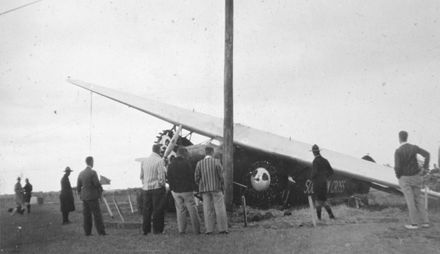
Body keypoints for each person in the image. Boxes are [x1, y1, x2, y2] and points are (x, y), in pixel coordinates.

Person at [394, 130, 430, 229]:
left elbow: (397, 167)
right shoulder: (414, 148)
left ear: (399, 138)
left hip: (405, 178)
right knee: (419, 199)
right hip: (416, 176)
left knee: (410, 200)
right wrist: (425, 169)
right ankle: (425, 222)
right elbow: (427, 154)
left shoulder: (398, 151)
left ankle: (414, 224)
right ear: (407, 137)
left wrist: (399, 176)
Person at [195, 146, 228, 234]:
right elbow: (221, 176)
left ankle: (209, 230)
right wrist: (223, 186)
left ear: (205, 153)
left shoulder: (199, 163)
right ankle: (223, 229)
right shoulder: (216, 162)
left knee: (207, 209)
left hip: (205, 189)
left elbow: (196, 177)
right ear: (212, 153)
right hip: (216, 188)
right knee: (219, 208)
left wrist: (200, 185)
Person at [168, 147, 201, 234]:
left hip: (175, 191)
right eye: (187, 153)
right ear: (184, 153)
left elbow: (169, 178)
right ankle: (197, 230)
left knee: (180, 210)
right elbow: (191, 177)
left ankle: (181, 230)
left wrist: (172, 190)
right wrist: (194, 188)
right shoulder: (187, 163)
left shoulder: (171, 164)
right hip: (187, 190)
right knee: (192, 209)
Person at [140, 144, 167, 235]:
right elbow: (161, 176)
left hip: (146, 188)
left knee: (146, 210)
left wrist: (145, 184)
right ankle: (158, 230)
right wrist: (162, 185)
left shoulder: (144, 161)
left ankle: (145, 230)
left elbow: (141, 176)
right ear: (159, 150)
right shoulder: (159, 161)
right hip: (157, 188)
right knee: (158, 209)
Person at [77, 156, 106, 236]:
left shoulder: (81, 173)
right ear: (91, 162)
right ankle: (101, 232)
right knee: (97, 215)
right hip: (93, 197)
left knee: (87, 215)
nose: (93, 163)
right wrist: (101, 184)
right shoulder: (93, 172)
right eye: (93, 161)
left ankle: (87, 232)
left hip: (84, 198)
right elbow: (96, 184)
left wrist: (81, 194)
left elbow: (78, 187)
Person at [310, 144, 335, 220]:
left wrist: (311, 178)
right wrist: (325, 177)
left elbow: (314, 173)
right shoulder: (325, 160)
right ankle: (331, 216)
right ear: (319, 151)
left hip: (317, 184)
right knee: (324, 200)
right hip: (324, 183)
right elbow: (331, 171)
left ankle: (319, 218)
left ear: (313, 153)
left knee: (318, 201)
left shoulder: (315, 162)